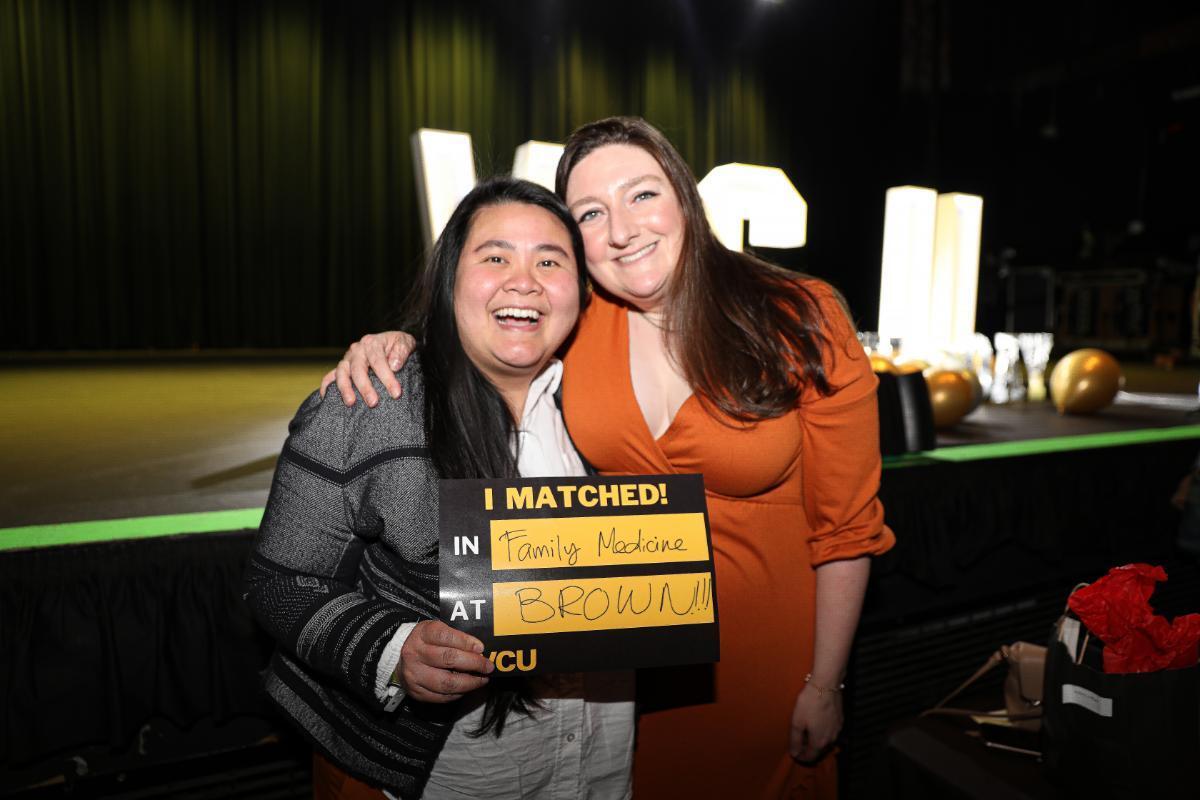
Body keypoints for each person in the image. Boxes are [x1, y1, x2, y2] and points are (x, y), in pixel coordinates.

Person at [325, 117, 895, 798]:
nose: (622, 228)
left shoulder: (799, 313)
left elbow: (846, 529)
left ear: (685, 198)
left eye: (643, 195)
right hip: (619, 676)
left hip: (768, 668)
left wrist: (824, 683)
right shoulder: (578, 323)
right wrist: (397, 344)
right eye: (592, 212)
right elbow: (479, 334)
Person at [246, 176, 634, 800]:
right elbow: (279, 582)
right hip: (452, 777)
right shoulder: (372, 402)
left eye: (550, 260)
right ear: (451, 277)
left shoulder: (612, 410)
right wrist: (393, 649)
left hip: (602, 760)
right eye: (496, 256)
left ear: (581, 292)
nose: (525, 280)